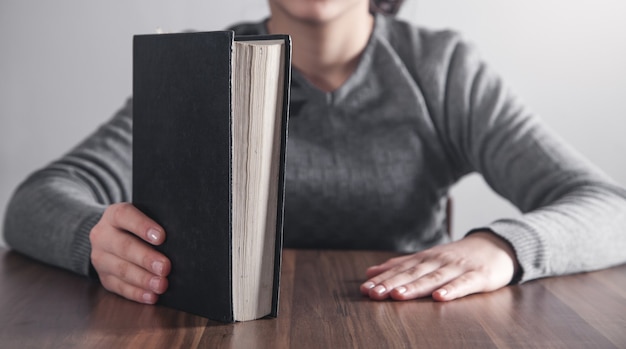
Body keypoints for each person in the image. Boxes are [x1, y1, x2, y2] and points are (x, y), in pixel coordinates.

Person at [4, 0, 626, 306]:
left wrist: (505, 247)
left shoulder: (441, 69)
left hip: (404, 328)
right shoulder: (197, 69)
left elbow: (610, 207)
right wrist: (93, 237)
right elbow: (32, 202)